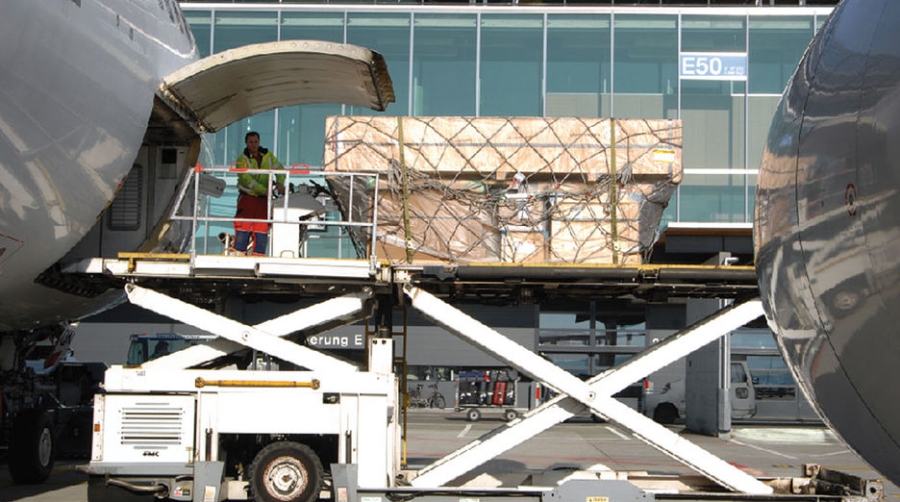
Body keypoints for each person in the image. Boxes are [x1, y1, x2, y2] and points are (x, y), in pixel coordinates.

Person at [233, 131, 285, 256]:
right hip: (247, 198)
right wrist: (264, 190)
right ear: (246, 143)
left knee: (261, 230)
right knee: (243, 229)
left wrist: (280, 183)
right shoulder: (242, 159)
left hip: (263, 200)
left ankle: (258, 257)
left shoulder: (267, 155)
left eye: (255, 142)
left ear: (259, 142)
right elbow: (246, 179)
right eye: (251, 142)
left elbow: (280, 169)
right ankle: (239, 257)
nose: (254, 145)